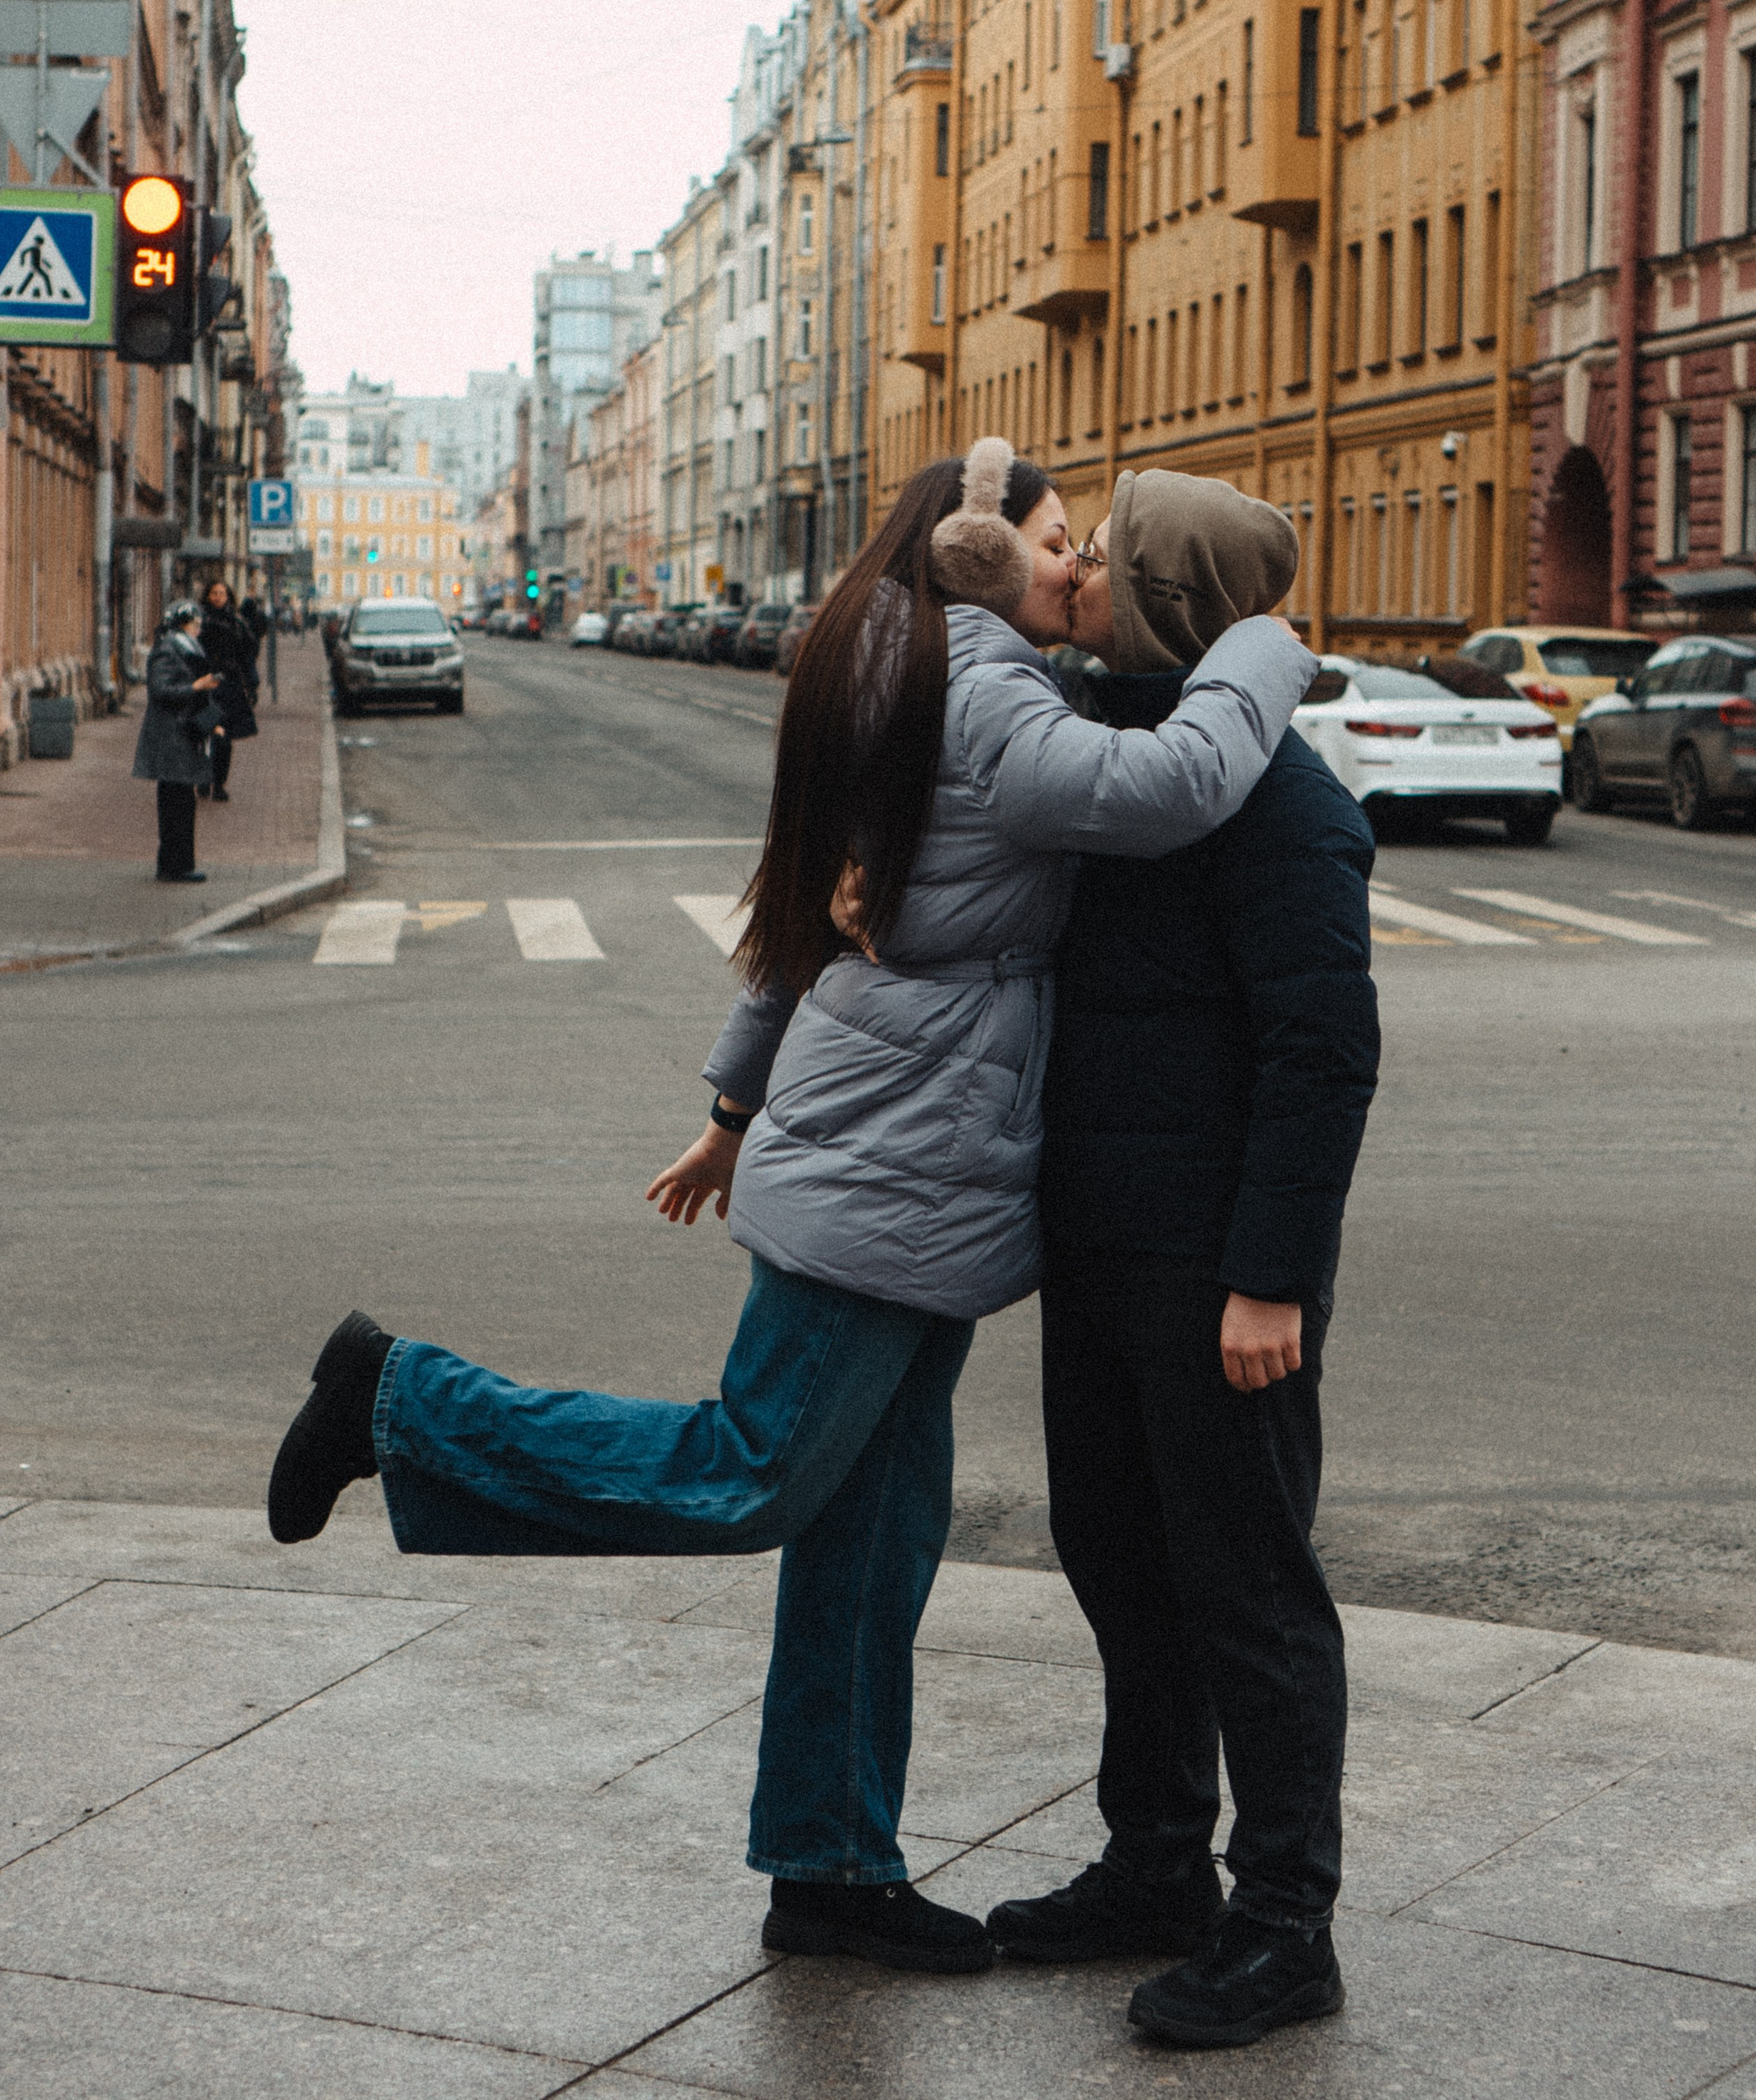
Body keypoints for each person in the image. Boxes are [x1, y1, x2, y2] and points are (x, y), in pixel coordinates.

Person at [265, 439, 1316, 1978]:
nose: (1073, 566)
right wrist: (1265, 650)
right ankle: (399, 1400)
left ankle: (830, 1866)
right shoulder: (981, 686)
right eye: (1053, 540)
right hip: (898, 1158)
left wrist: (730, 1110)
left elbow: (803, 914)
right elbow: (1162, 789)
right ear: (972, 554)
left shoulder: (915, 671)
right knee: (747, 1475)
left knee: (870, 1537)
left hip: (923, 1164)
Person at [980, 472, 1379, 2054]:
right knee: (1119, 1562)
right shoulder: (1116, 767)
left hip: (1221, 1274)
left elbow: (1320, 1056)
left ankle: (1283, 1926)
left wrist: (1271, 1275)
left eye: (1099, 558)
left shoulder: (1282, 805)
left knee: (1248, 1596)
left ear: (1157, 597)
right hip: (1100, 1249)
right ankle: (1154, 1865)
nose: (1070, 574)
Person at [132, 601, 223, 882]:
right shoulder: (167, 650)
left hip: (183, 733)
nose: (198, 629)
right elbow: (160, 690)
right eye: (195, 624)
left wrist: (209, 716)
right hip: (170, 736)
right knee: (176, 803)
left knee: (183, 802)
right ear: (182, 624)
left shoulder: (185, 648)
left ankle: (180, 864)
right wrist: (196, 686)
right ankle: (174, 867)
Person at [198, 577, 258, 801]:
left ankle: (219, 783)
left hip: (229, 685)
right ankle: (203, 778)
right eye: (214, 593)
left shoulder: (237, 623)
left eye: (222, 594)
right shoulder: (199, 621)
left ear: (229, 597)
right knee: (203, 733)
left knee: (224, 738)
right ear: (207, 596)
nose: (218, 598)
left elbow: (247, 656)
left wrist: (252, 684)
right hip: (205, 685)